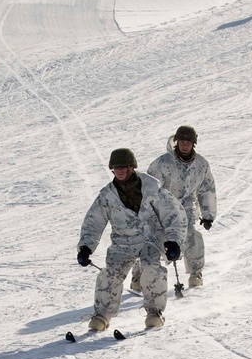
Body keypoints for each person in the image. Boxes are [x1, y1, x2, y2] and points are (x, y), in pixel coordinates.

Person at [77, 148, 187, 331]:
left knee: (151, 267)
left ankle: (154, 312)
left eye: (123, 167)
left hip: (150, 240)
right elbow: (93, 221)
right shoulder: (107, 195)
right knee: (110, 273)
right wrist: (86, 247)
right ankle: (102, 315)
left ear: (131, 168)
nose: (119, 171)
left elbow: (174, 214)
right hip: (123, 243)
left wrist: (174, 241)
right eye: (116, 168)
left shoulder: (152, 188)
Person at [133, 125, 217, 290]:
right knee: (151, 240)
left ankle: (195, 273)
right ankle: (139, 277)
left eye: (189, 142)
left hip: (187, 205)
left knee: (192, 234)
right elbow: (150, 189)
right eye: (182, 141)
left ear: (194, 143)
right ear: (176, 142)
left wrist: (208, 214)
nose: (185, 145)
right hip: (162, 206)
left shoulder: (201, 164)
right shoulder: (162, 163)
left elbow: (207, 188)